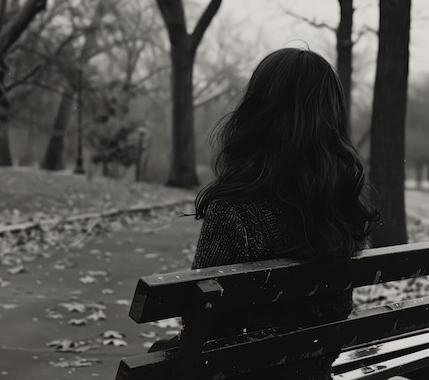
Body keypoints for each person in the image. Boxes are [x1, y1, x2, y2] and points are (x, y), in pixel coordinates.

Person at [152, 47, 379, 379]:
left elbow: (201, 328)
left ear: (259, 113)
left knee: (155, 358)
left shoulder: (234, 211)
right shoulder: (343, 209)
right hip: (312, 370)